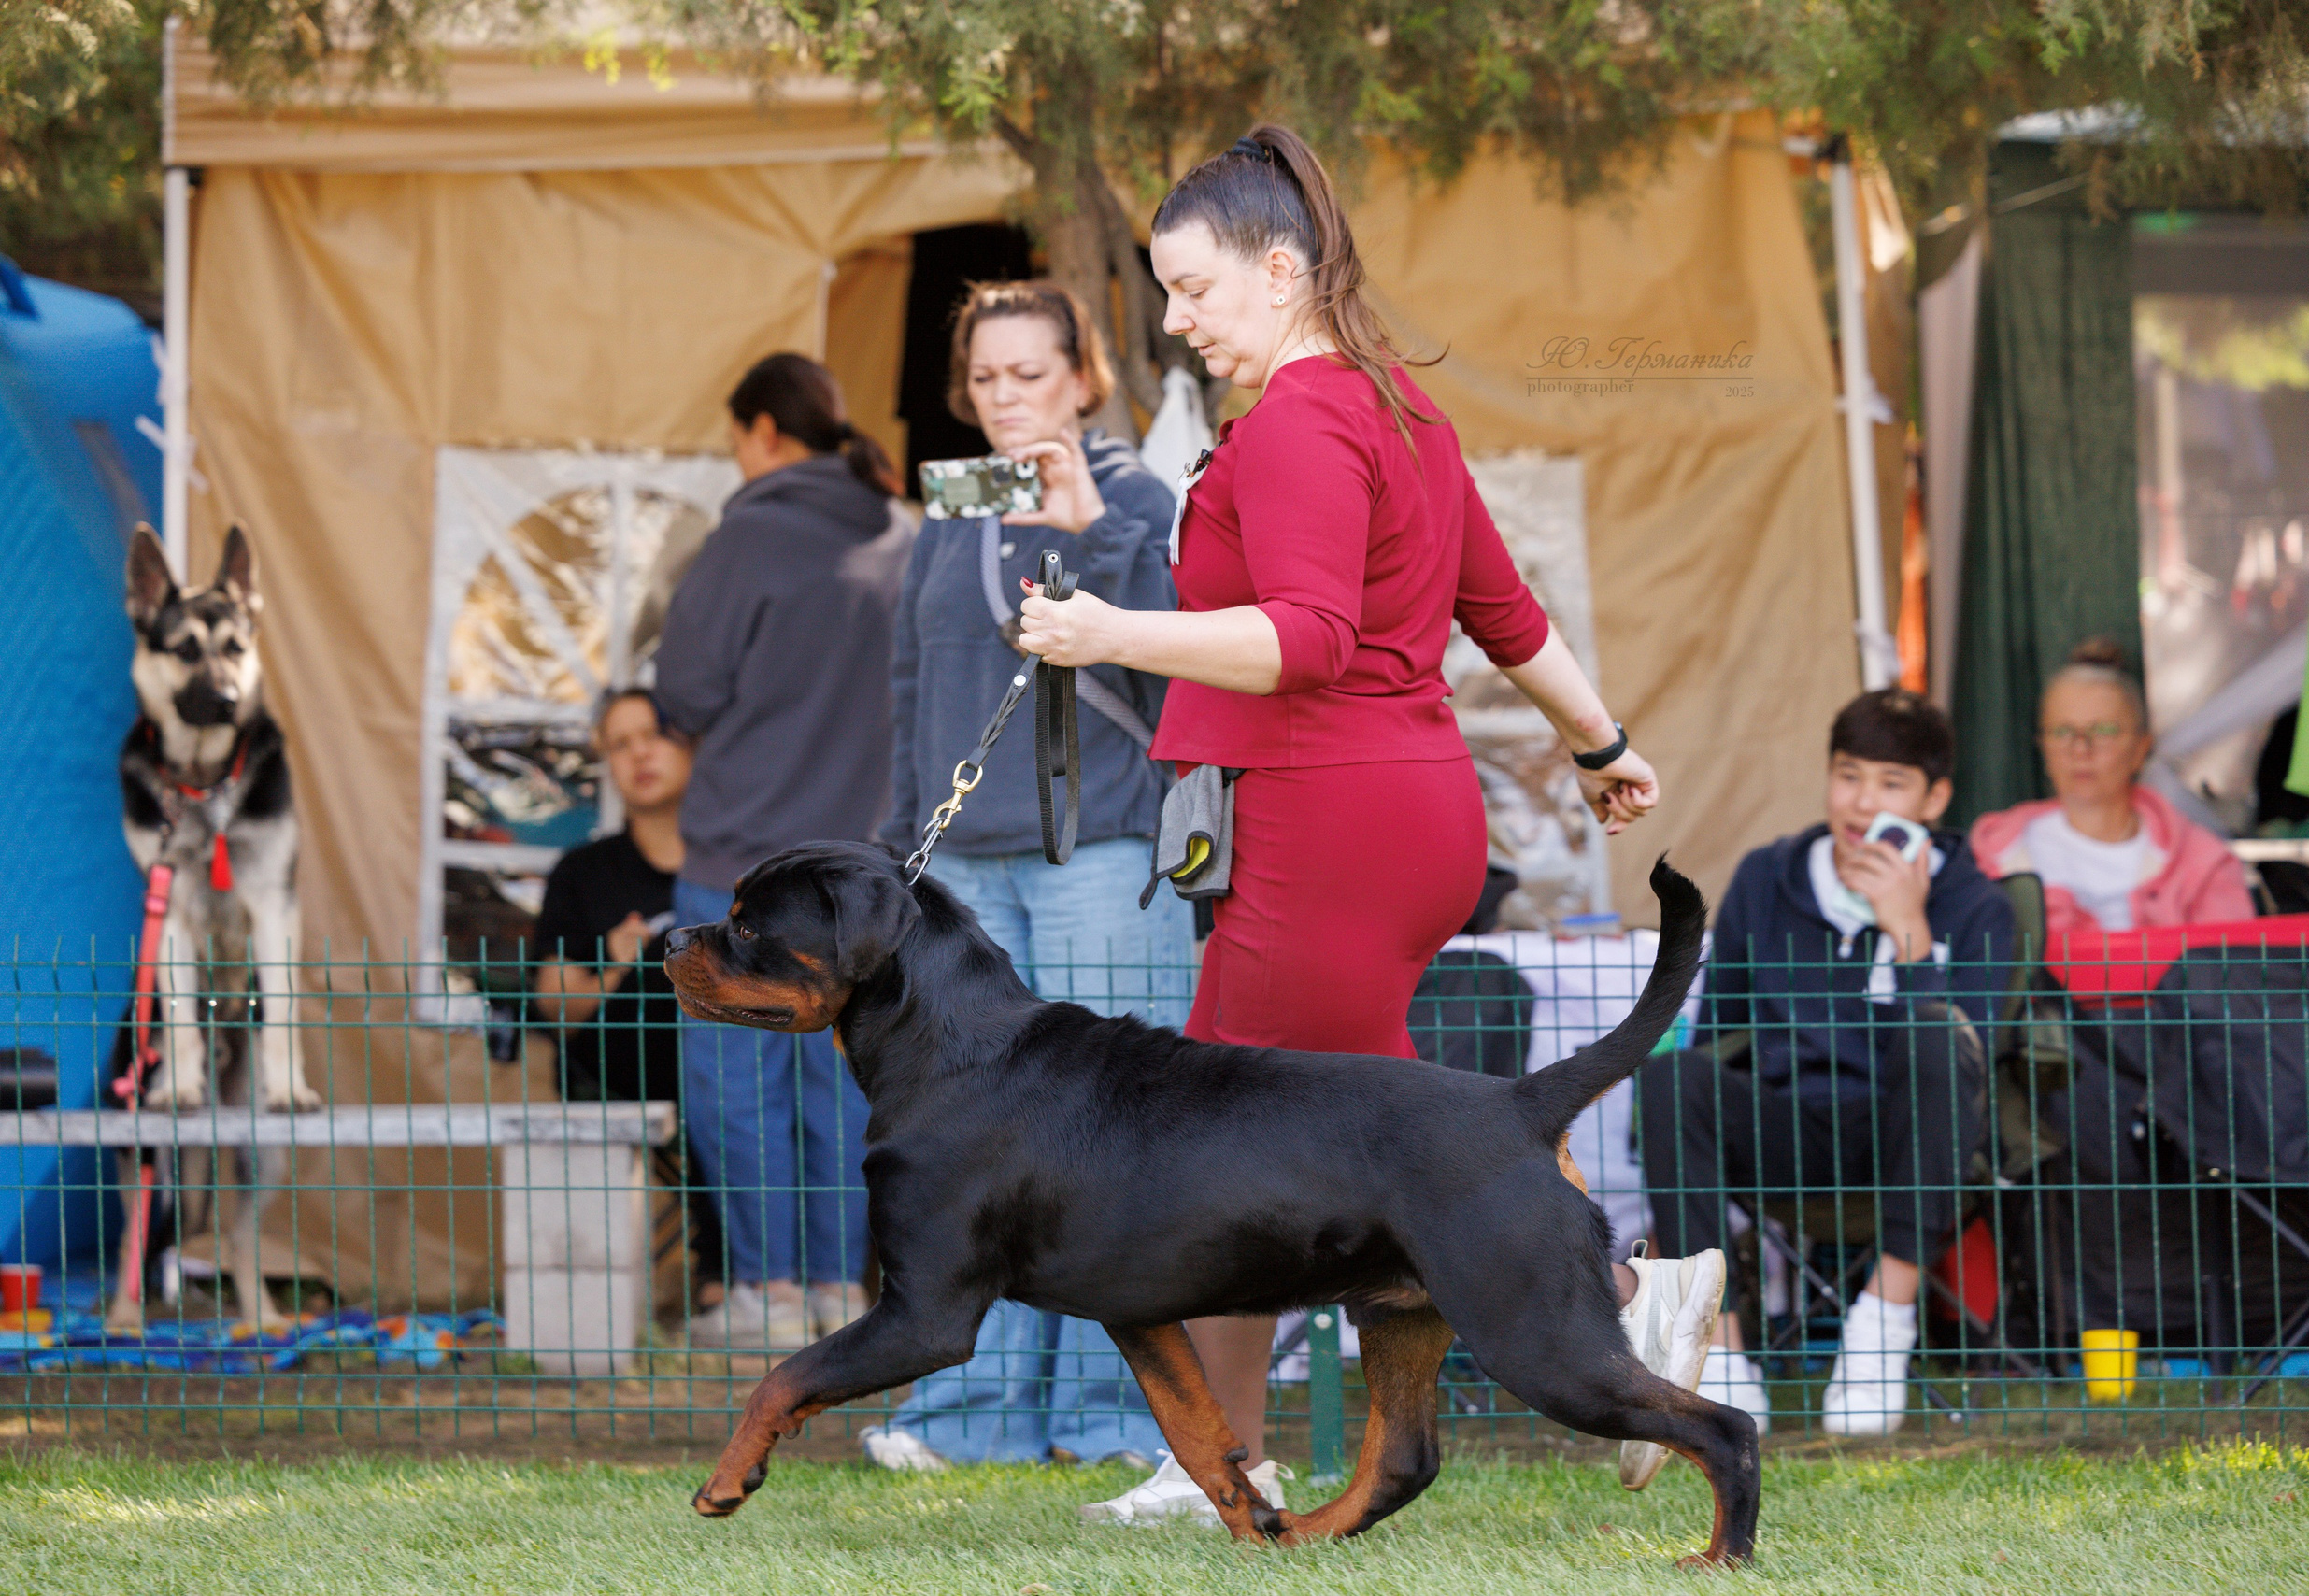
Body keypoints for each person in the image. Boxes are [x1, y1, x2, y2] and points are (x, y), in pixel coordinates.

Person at [1013, 125, 1688, 1521]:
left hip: (1326, 826)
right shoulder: (1402, 409)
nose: (1178, 323)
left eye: (1193, 290)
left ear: (1280, 268)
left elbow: (1310, 642)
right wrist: (1601, 743)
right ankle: (1239, 1457)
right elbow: (1501, 613)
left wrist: (1104, 631)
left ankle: (1614, 1307)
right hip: (1406, 818)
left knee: (1220, 1150)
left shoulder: (1307, 421)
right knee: (1305, 1149)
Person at [860, 281, 1187, 1475]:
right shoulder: (950, 509)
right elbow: (911, 689)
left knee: (1107, 1137)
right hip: (963, 868)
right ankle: (969, 1416)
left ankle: (1107, 1422)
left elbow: (1170, 658)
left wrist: (1092, 520)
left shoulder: (1140, 495)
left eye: (1029, 375)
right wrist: (904, 849)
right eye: (986, 378)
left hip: (1096, 848)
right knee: (971, 1144)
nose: (1005, 399)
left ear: (1083, 377)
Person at [1640, 690, 2017, 1438]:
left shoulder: (1979, 906)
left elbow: (1973, 1061)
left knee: (1941, 1038)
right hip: (1787, 1132)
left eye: (1891, 783)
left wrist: (1908, 932)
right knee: (1672, 1075)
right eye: (1849, 776)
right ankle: (1721, 1354)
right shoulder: (1767, 878)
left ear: (1935, 798)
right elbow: (1721, 1032)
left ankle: (1884, 1326)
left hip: (1910, 1145)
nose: (1862, 802)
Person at [653, 352, 910, 1350]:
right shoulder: (902, 529)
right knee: (843, 1080)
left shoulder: (745, 539)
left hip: (740, 861)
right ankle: (842, 1293)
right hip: (864, 875)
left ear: (764, 431)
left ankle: (765, 1293)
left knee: (735, 1076)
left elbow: (682, 696)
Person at [526, 687, 725, 1305]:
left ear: (692, 745)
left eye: (655, 735)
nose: (639, 754)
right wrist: (617, 964)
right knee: (661, 976)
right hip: (630, 1063)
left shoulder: (733, 863)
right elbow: (555, 1007)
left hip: (733, 1061)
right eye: (620, 743)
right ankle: (727, 1268)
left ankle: (758, 1272)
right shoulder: (583, 871)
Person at [1970, 639, 2254, 935]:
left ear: (2142, 747)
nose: (2080, 749)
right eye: (2062, 731)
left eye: (2103, 731)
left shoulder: (2202, 864)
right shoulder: (1993, 853)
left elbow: (2230, 972)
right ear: (2042, 746)